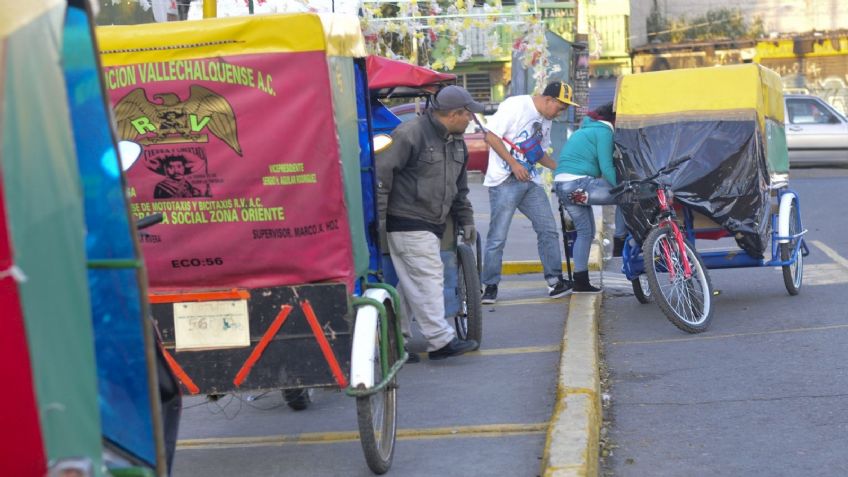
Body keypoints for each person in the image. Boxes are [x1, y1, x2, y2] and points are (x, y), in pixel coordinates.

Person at [377, 85, 480, 360]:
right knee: (429, 278)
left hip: (431, 224)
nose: (471, 119)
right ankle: (439, 340)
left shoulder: (456, 142)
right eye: (468, 114)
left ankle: (394, 343)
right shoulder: (410, 134)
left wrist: (467, 219)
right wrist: (379, 224)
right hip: (408, 221)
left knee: (411, 287)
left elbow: (460, 189)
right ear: (453, 114)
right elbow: (381, 179)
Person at [480, 81, 578, 304]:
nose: (560, 113)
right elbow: (491, 136)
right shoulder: (516, 105)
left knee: (548, 230)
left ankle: (554, 282)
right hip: (504, 181)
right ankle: (490, 286)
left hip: (530, 182)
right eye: (560, 108)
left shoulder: (546, 119)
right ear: (548, 99)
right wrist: (514, 164)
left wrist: (560, 168)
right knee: (497, 237)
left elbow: (539, 153)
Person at [553, 102, 618, 292]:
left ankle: (580, 282)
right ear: (614, 119)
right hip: (579, 183)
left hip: (563, 186)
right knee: (627, 196)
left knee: (585, 232)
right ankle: (625, 240)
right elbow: (607, 167)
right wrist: (623, 186)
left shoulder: (586, 129)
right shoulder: (604, 131)